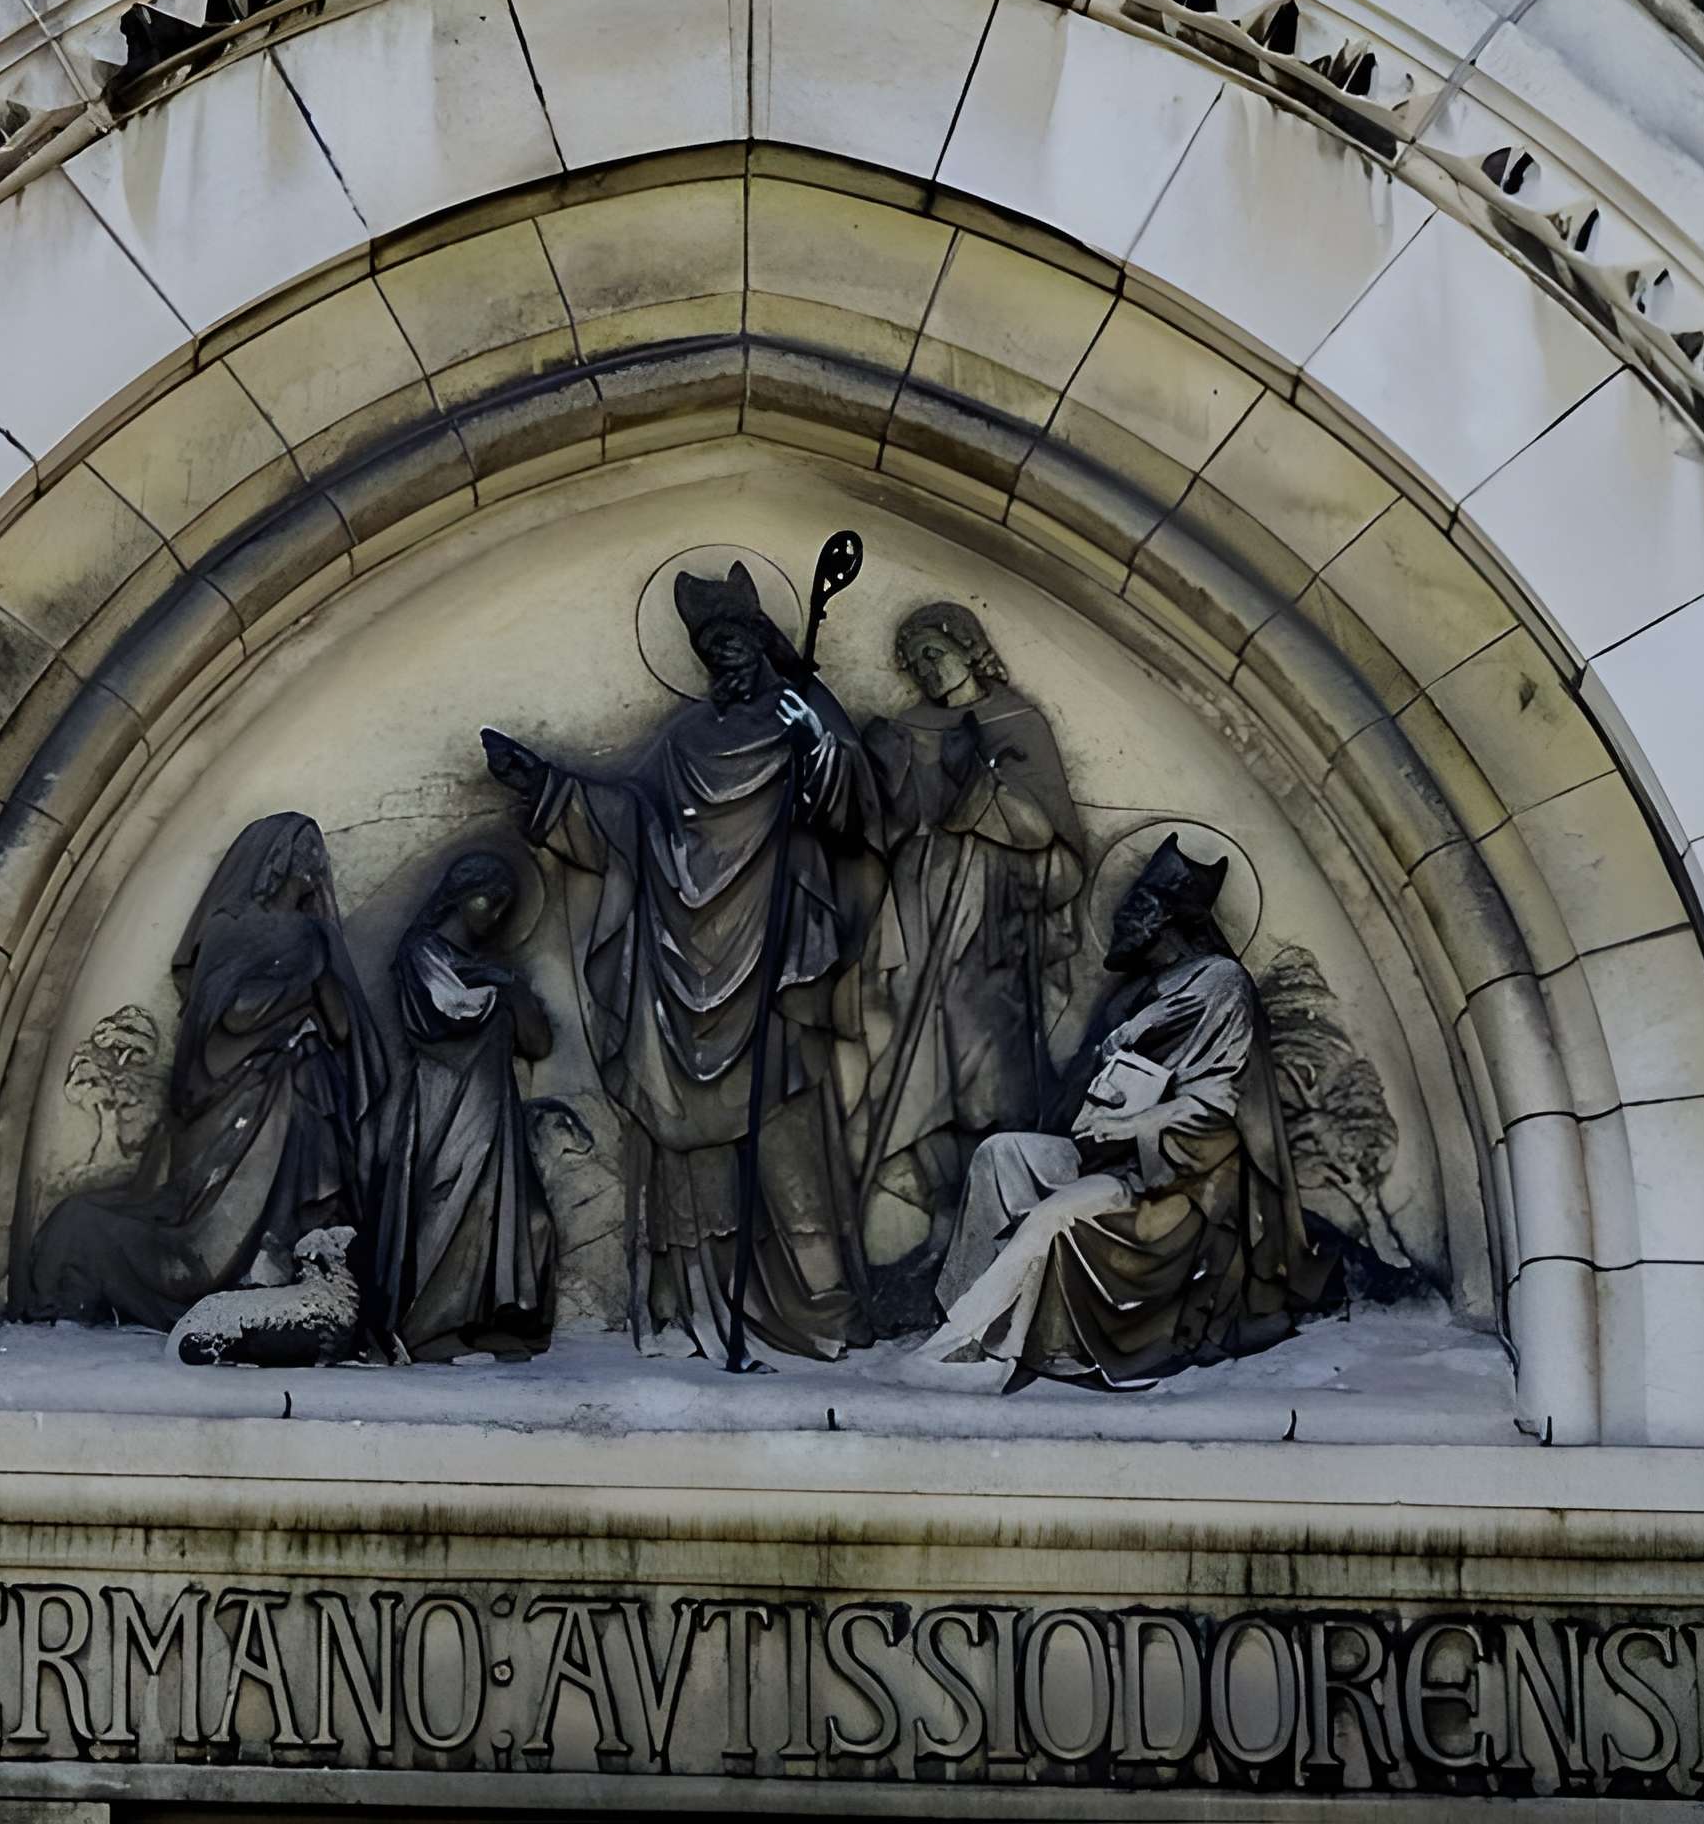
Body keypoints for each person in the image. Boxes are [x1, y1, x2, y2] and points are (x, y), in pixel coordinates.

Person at [483, 563, 878, 1363]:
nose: (723, 657)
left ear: (763, 642)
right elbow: (632, 816)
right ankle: (697, 1304)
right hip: (681, 963)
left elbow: (851, 808)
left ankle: (820, 1308)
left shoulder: (803, 711)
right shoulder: (687, 740)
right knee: (687, 1144)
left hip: (772, 963)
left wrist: (815, 745)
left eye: (734, 641)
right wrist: (549, 789)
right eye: (710, 647)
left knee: (786, 1136)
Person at [921, 836, 1333, 1388]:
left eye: (1135, 907)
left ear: (1166, 918)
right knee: (1000, 1155)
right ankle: (959, 1313)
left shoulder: (1220, 985)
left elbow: (1220, 1106)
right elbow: (1076, 1102)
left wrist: (1132, 1126)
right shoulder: (1131, 995)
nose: (1120, 920)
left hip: (1169, 1181)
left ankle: (972, 1349)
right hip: (1105, 1156)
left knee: (1055, 1218)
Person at [15, 812, 369, 1331]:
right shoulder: (231, 929)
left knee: (307, 1111)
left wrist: (316, 981)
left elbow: (342, 1026)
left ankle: (287, 1265)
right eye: (304, 853)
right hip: (236, 1097)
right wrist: (300, 994)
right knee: (200, 1213)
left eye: (316, 856)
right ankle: (235, 1272)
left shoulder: (313, 937)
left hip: (300, 1089)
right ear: (277, 860)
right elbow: (222, 1017)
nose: (316, 867)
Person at [847, 602, 1083, 1305]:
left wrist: (991, 795)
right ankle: (946, 1224)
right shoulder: (909, 730)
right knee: (916, 1069)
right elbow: (879, 820)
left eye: (935, 652)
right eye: (914, 660)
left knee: (989, 1076)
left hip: (992, 932)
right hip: (918, 919)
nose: (926, 669)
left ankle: (1003, 1227)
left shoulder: (1018, 725)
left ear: (969, 647)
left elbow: (1056, 844)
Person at [363, 850, 560, 1360]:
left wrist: (509, 986)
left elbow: (537, 1041)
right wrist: (498, 984)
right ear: (458, 895)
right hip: (445, 1106)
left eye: (505, 906)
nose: (495, 914)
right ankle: (431, 1326)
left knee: (526, 1219)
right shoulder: (423, 952)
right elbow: (447, 1012)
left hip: (494, 1109)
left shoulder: (488, 970)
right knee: (447, 1206)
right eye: (488, 900)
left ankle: (491, 1318)